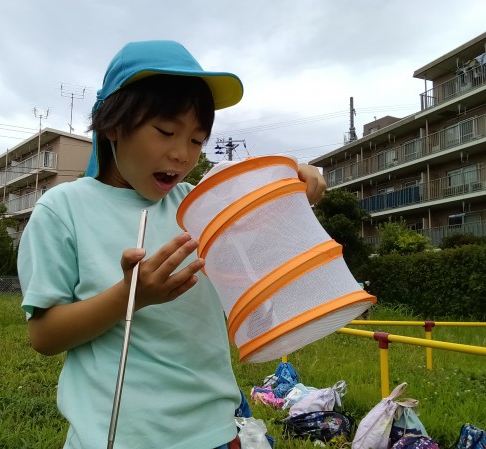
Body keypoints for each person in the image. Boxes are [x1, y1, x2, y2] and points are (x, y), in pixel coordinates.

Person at [18, 40, 327, 449]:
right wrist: (130, 296)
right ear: (113, 125)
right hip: (120, 436)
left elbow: (257, 240)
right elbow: (44, 336)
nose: (182, 154)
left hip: (216, 429)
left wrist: (291, 185)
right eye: (166, 132)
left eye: (197, 140)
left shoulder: (198, 207)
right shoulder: (64, 210)